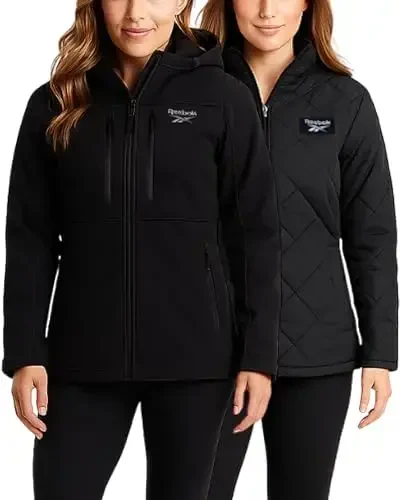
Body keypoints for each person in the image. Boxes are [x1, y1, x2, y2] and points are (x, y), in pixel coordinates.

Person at [1, 1, 282, 499]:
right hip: (81, 359)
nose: (135, 13)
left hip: (196, 363)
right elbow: (30, 238)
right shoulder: (56, 101)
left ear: (181, 2)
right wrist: (24, 353)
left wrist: (259, 356)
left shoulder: (224, 98)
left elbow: (255, 235)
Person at [200, 0, 398, 498]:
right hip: (213, 349)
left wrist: (380, 353)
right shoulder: (195, 93)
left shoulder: (345, 101)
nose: (268, 10)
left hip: (317, 353)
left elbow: (372, 235)